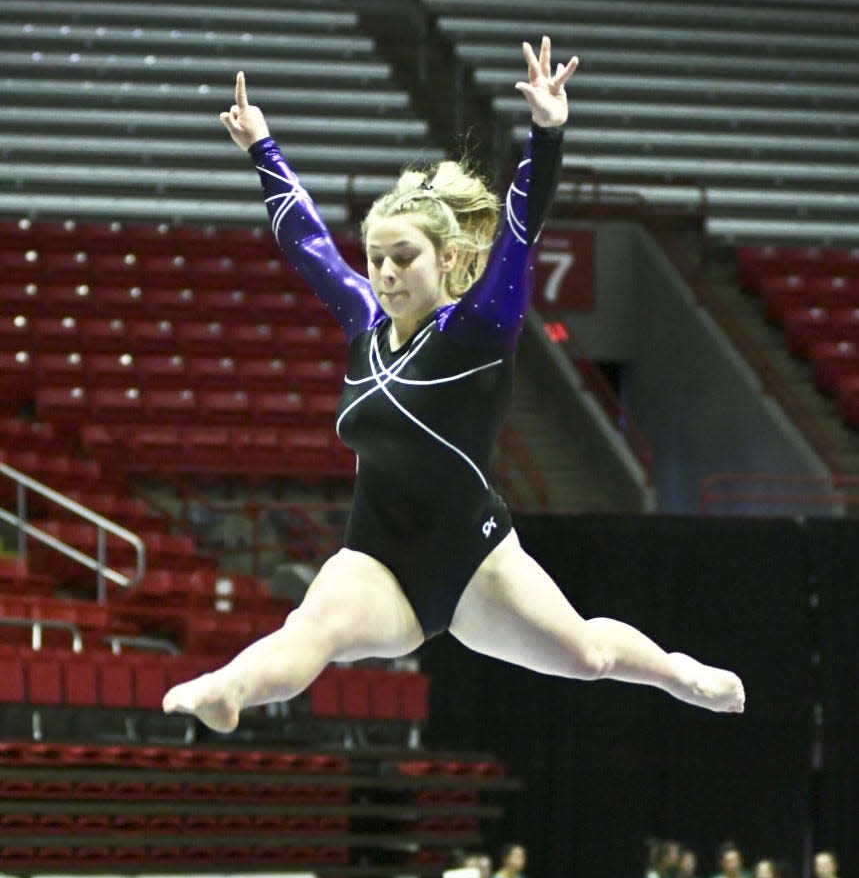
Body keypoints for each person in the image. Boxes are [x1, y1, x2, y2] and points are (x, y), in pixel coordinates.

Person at [162, 40, 746, 733]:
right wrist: (263, 147)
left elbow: (522, 233)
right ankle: (227, 689)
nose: (383, 272)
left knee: (586, 654)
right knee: (308, 630)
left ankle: (678, 671)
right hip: (376, 558)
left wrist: (546, 133)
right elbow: (309, 243)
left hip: (476, 561)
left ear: (449, 257)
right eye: (376, 257)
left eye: (402, 257)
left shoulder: (477, 330)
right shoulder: (363, 323)